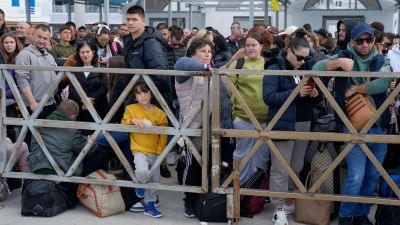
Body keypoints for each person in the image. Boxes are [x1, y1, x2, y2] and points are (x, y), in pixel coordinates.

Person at [312, 23, 391, 225]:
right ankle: (346, 216)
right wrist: (336, 63)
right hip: (353, 126)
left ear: (374, 40)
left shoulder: (381, 58)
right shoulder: (345, 56)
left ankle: (361, 215)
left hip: (379, 127)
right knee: (356, 176)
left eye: (369, 40)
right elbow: (315, 69)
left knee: (372, 176)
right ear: (352, 42)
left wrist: (355, 88)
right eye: (360, 41)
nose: (365, 45)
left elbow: (383, 82)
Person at [264, 28, 318, 225]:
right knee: (280, 167)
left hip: (303, 121)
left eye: (306, 58)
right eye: (299, 57)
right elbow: (268, 98)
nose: (303, 61)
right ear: (288, 51)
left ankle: (286, 201)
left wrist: (314, 95)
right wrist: (297, 92)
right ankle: (277, 208)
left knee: (296, 166)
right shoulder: (274, 69)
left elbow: (310, 99)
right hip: (282, 123)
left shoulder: (304, 69)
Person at [174, 38, 232, 218]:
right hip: (196, 124)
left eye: (209, 51)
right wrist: (208, 69)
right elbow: (180, 63)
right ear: (193, 53)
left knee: (215, 164)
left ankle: (207, 198)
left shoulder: (213, 70)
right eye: (203, 51)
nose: (207, 54)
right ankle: (188, 200)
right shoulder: (187, 70)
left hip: (216, 124)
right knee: (194, 166)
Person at [27, 99, 109, 202]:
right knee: (102, 154)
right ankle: (99, 193)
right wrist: (91, 143)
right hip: (61, 177)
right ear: (73, 117)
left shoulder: (39, 124)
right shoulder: (72, 130)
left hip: (37, 170)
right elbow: (87, 151)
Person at [121, 77, 167, 218]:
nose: (143, 96)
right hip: (139, 149)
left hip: (155, 151)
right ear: (135, 97)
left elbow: (164, 135)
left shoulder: (160, 113)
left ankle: (149, 205)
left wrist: (160, 153)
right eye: (139, 93)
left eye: (145, 92)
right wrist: (132, 120)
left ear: (151, 94)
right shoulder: (130, 109)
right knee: (141, 171)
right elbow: (123, 123)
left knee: (155, 180)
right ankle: (140, 184)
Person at [228, 32, 270, 185]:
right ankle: (240, 190)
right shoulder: (237, 64)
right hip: (242, 117)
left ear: (261, 46)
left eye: (254, 45)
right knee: (241, 155)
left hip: (266, 119)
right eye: (248, 45)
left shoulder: (269, 64)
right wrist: (234, 116)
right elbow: (229, 92)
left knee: (263, 157)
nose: (251, 48)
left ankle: (258, 192)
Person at [123, 5, 173, 112]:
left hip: (152, 101)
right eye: (128, 19)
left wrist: (140, 93)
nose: (130, 23)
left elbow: (160, 75)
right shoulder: (128, 40)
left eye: (134, 19)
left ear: (143, 21)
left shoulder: (151, 43)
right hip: (137, 98)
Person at [68, 40, 109, 136]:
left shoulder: (101, 67)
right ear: (78, 53)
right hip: (80, 108)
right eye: (82, 52)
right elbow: (72, 88)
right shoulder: (74, 68)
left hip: (98, 107)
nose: (85, 55)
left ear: (93, 52)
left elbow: (104, 87)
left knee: (99, 137)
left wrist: (89, 101)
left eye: (87, 52)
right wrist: (83, 100)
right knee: (80, 137)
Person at [15, 24, 57, 117]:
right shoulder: (25, 54)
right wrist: (32, 102)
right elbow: (22, 79)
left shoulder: (50, 56)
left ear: (49, 39)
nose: (42, 41)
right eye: (39, 37)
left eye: (45, 38)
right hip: (33, 105)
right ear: (33, 35)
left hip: (49, 104)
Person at [0, 33, 24, 100]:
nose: (9, 45)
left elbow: (24, 81)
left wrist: (8, 93)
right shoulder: (1, 58)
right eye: (6, 42)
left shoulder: (21, 58)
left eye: (12, 42)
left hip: (16, 97)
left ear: (16, 44)